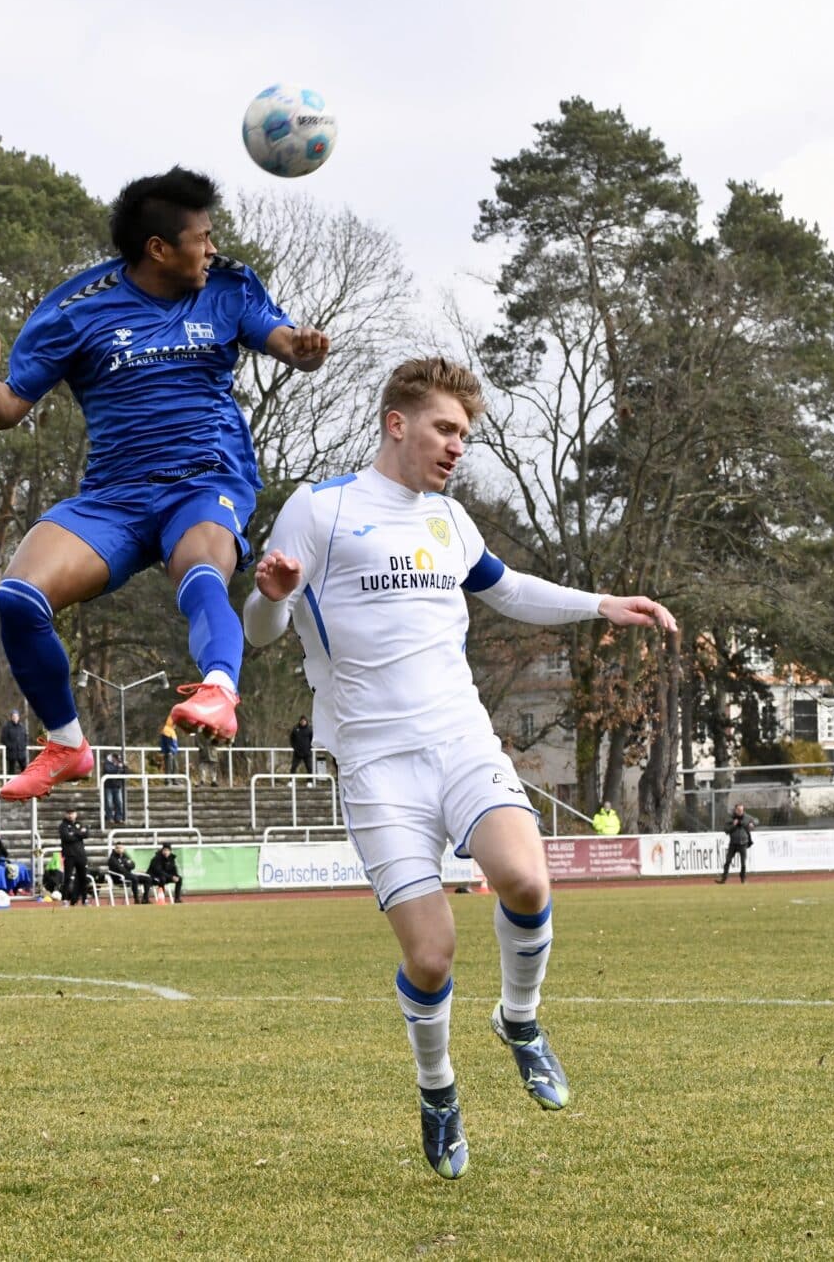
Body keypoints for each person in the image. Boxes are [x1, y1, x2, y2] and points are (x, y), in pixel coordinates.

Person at [243, 355, 677, 1180]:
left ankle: (520, 1020)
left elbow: (508, 589)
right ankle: (437, 1089)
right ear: (396, 423)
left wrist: (600, 605)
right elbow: (263, 629)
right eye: (445, 429)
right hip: (374, 765)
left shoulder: (448, 520)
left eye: (465, 435)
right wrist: (270, 592)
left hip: (460, 739)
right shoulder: (320, 510)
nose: (456, 447)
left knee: (526, 877)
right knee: (432, 954)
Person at [0, 167, 330, 801]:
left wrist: (302, 346)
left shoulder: (227, 288)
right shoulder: (77, 310)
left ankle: (218, 689)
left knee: (201, 565)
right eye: (201, 238)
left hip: (204, 478)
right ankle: (68, 745)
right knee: (18, 597)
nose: (212, 249)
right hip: (115, 496)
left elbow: (284, 340)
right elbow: (8, 412)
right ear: (158, 248)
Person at [57, 808, 91, 906]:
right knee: (67, 878)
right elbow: (66, 837)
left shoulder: (79, 824)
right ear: (65, 814)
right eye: (68, 813)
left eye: (72, 813)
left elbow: (87, 834)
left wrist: (74, 833)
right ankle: (65, 900)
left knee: (83, 878)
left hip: (81, 855)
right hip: (69, 855)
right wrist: (79, 834)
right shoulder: (63, 826)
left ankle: (85, 900)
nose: (70, 815)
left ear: (75, 814)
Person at [718, 804, 754, 884]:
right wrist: (733, 825)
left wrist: (752, 825)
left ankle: (743, 879)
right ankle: (723, 879)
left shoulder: (747, 818)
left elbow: (756, 821)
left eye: (741, 810)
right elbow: (726, 830)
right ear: (735, 810)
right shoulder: (730, 818)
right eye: (738, 810)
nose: (740, 811)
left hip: (743, 843)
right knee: (727, 861)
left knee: (743, 863)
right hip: (733, 843)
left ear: (743, 810)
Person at [0, 710, 30, 777]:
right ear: (11, 717)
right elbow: (3, 739)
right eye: (13, 716)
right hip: (11, 753)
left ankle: (24, 785)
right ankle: (11, 785)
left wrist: (23, 745)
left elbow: (26, 737)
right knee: (11, 770)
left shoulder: (22, 727)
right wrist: (10, 746)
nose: (15, 718)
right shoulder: (7, 727)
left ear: (18, 717)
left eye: (16, 716)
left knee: (24, 769)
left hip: (21, 753)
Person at [101, 750, 128, 825]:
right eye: (115, 757)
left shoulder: (120, 763)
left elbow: (126, 773)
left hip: (117, 786)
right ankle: (110, 818)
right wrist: (118, 767)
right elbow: (108, 770)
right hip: (108, 787)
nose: (116, 759)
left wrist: (124, 767)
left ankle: (118, 818)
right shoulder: (107, 763)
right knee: (109, 803)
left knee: (119, 803)